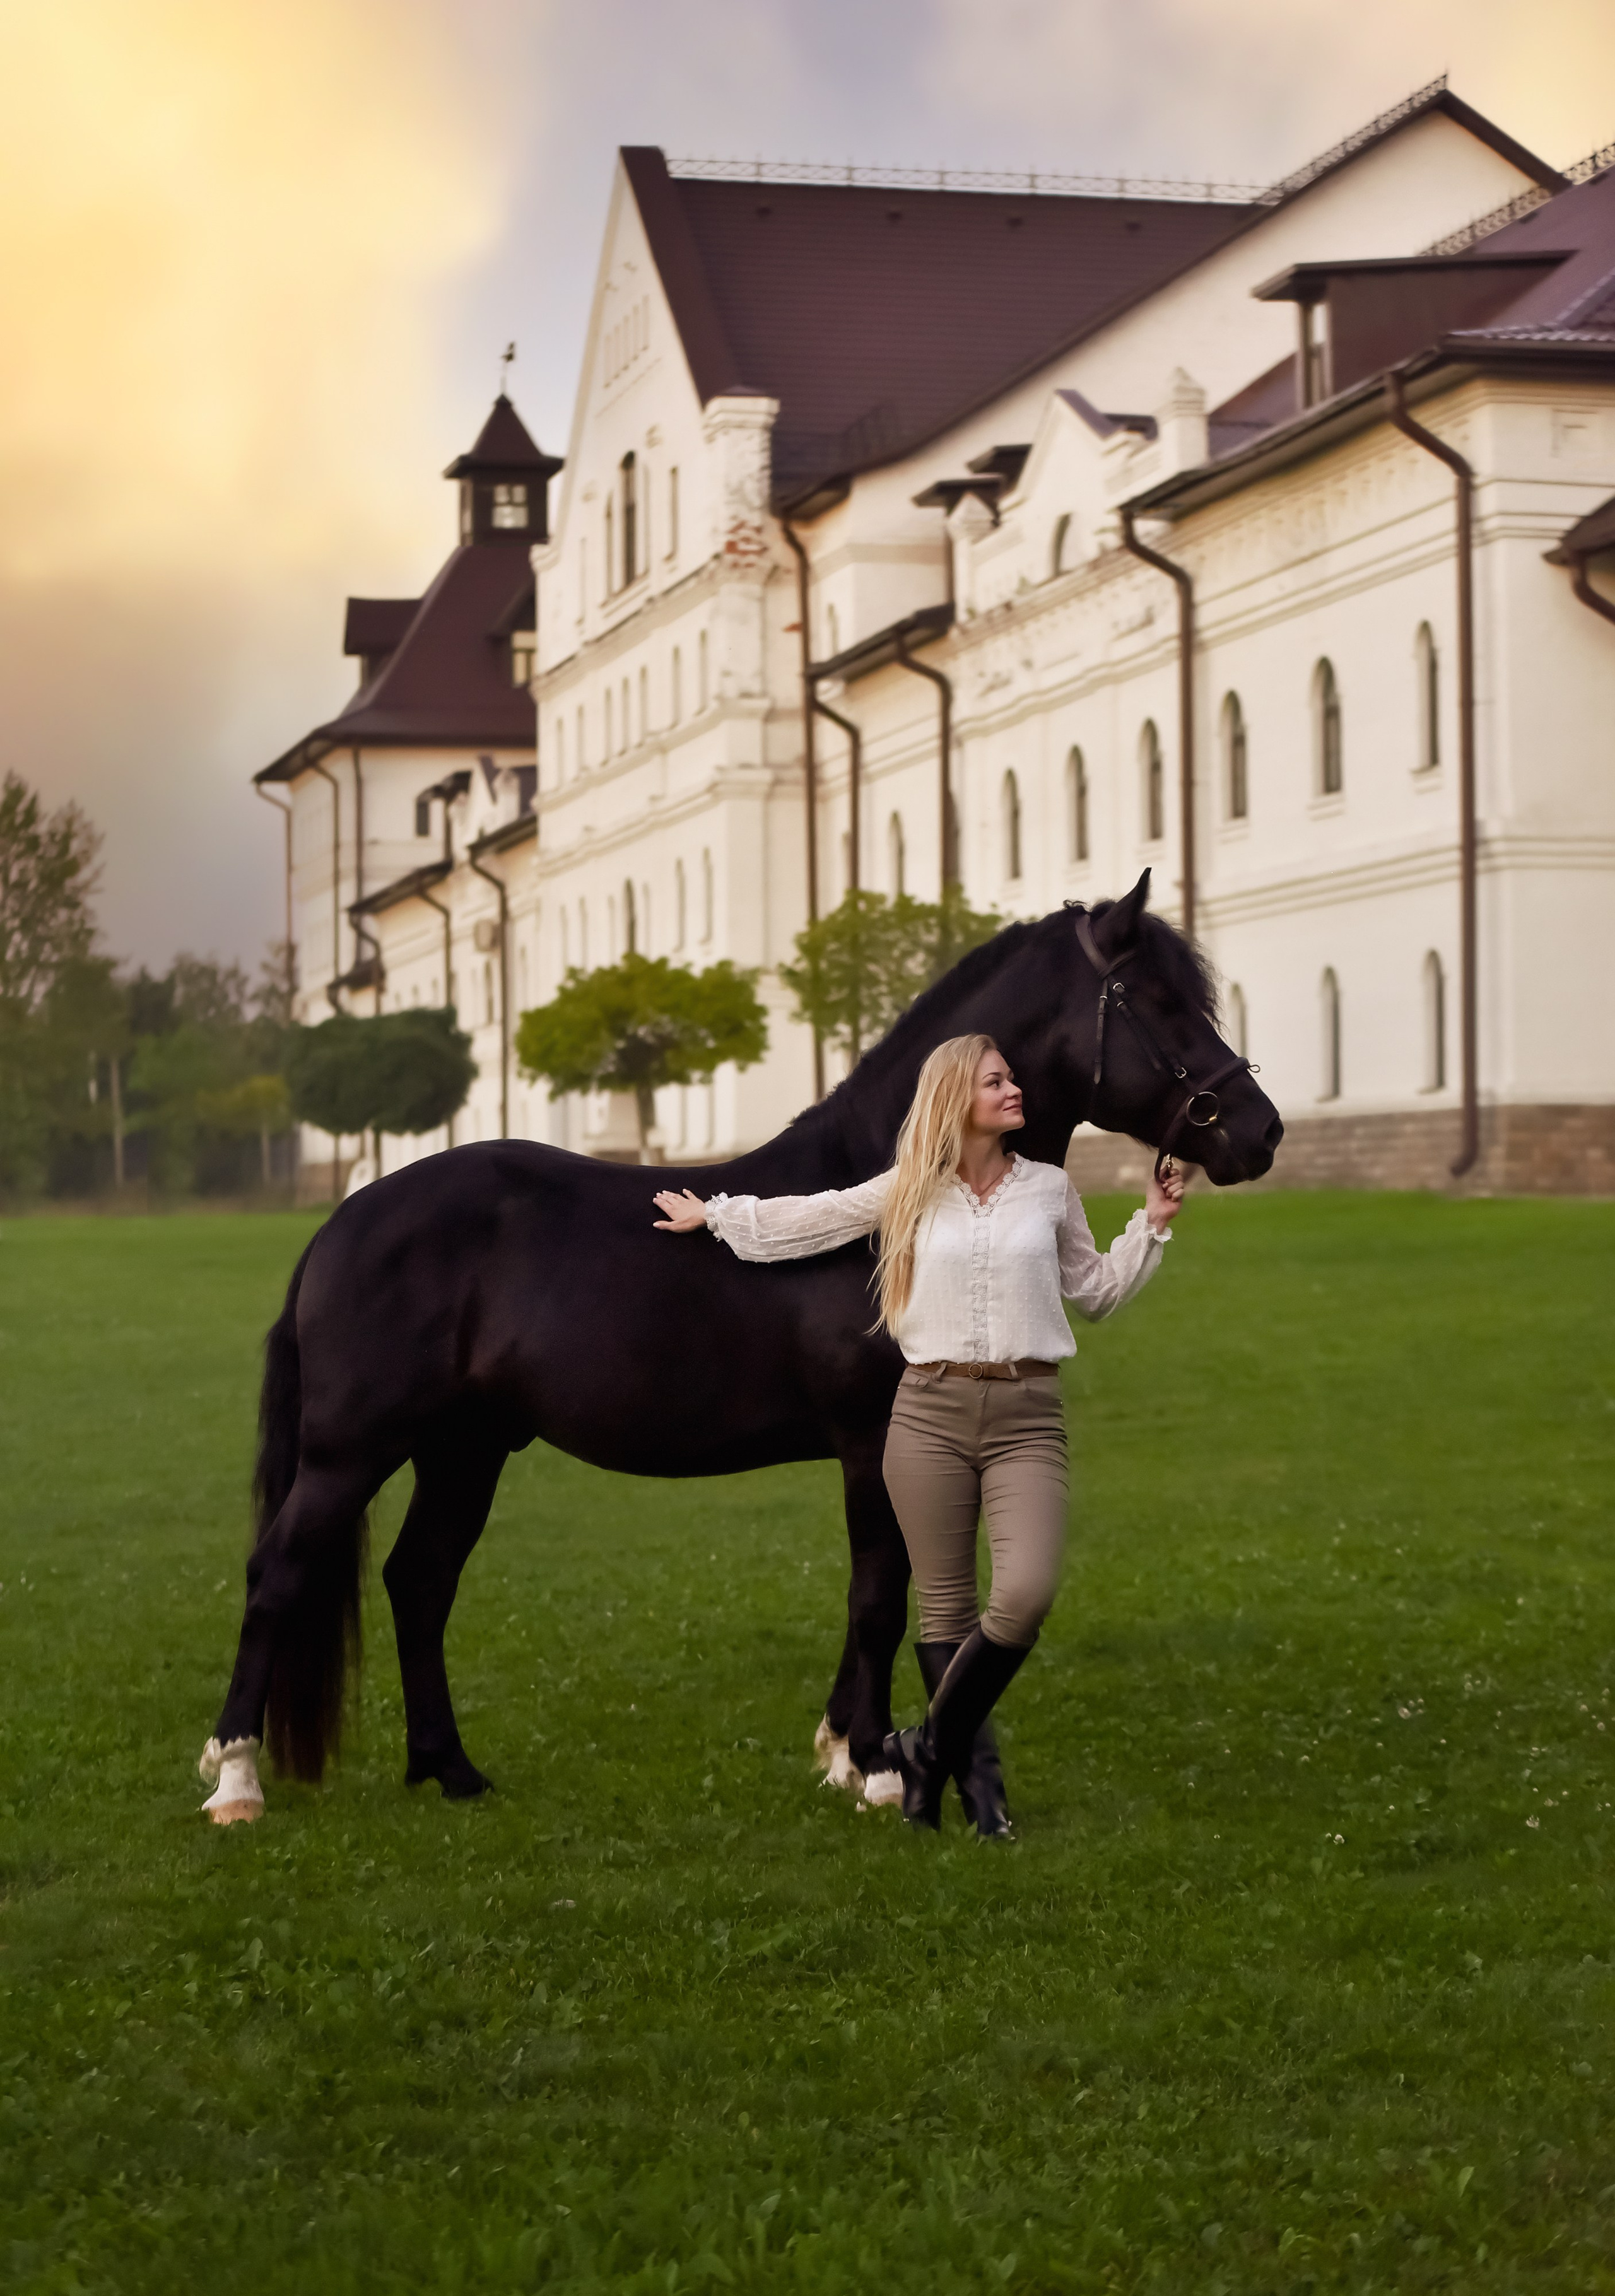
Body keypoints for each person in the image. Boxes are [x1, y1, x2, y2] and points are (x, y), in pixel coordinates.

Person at [652, 1033, 1181, 1834]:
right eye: (995, 1081)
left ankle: (921, 1748)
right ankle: (981, 1802)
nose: (1014, 1090)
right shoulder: (912, 1188)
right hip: (927, 1414)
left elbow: (1096, 1292)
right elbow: (815, 1219)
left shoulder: (1047, 1189)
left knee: (1024, 1595)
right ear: (953, 1100)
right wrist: (716, 1217)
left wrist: (1152, 1222)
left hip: (1025, 1417)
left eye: (1011, 1078)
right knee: (943, 1611)